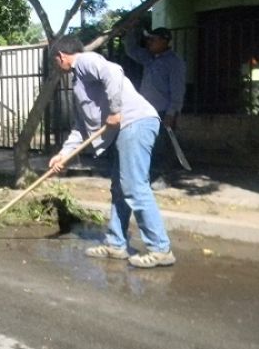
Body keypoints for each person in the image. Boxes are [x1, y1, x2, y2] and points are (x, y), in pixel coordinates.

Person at [48, 35, 175, 268]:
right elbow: (81, 127)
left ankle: (160, 249)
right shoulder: (79, 83)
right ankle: (116, 244)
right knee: (119, 187)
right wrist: (64, 155)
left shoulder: (84, 61)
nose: (57, 67)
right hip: (126, 129)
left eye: (55, 62)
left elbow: (114, 72)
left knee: (134, 186)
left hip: (135, 123)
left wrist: (116, 110)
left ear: (61, 56)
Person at [123, 26, 186, 190]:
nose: (149, 42)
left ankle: (166, 177)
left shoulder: (174, 62)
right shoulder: (149, 58)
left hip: (164, 111)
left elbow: (178, 90)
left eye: (153, 39)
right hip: (145, 110)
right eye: (149, 39)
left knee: (165, 145)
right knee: (146, 143)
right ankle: (146, 174)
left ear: (164, 41)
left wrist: (172, 113)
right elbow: (131, 50)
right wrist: (131, 27)